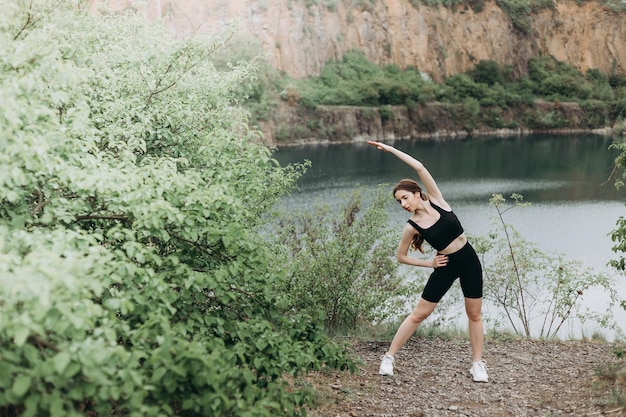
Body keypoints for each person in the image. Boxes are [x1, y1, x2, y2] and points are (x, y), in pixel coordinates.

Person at [368, 140, 488, 383]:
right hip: (445, 264)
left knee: (474, 314)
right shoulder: (411, 227)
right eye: (399, 202)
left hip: (469, 258)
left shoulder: (437, 200)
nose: (403, 204)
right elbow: (401, 257)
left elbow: (420, 167)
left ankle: (477, 364)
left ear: (416, 192)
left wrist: (390, 150)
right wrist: (430, 264)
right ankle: (389, 358)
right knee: (419, 314)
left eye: (405, 198)